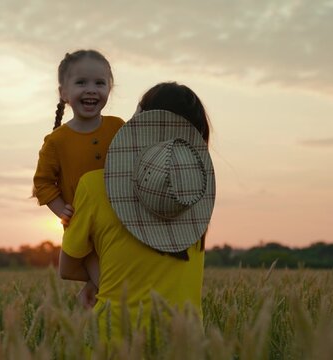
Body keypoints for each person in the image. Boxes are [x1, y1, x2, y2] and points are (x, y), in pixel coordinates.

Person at [59, 82, 215, 343]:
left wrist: (99, 279)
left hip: (112, 341)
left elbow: (67, 267)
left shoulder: (94, 185)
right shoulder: (195, 199)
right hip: (184, 345)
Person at [32, 50, 124, 299]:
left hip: (121, 223)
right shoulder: (57, 141)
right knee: (110, 288)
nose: (91, 89)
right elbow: (42, 183)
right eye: (81, 82)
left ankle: (84, 320)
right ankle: (91, 327)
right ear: (64, 93)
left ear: (109, 89)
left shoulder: (118, 128)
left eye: (99, 83)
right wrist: (62, 210)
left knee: (113, 283)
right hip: (86, 230)